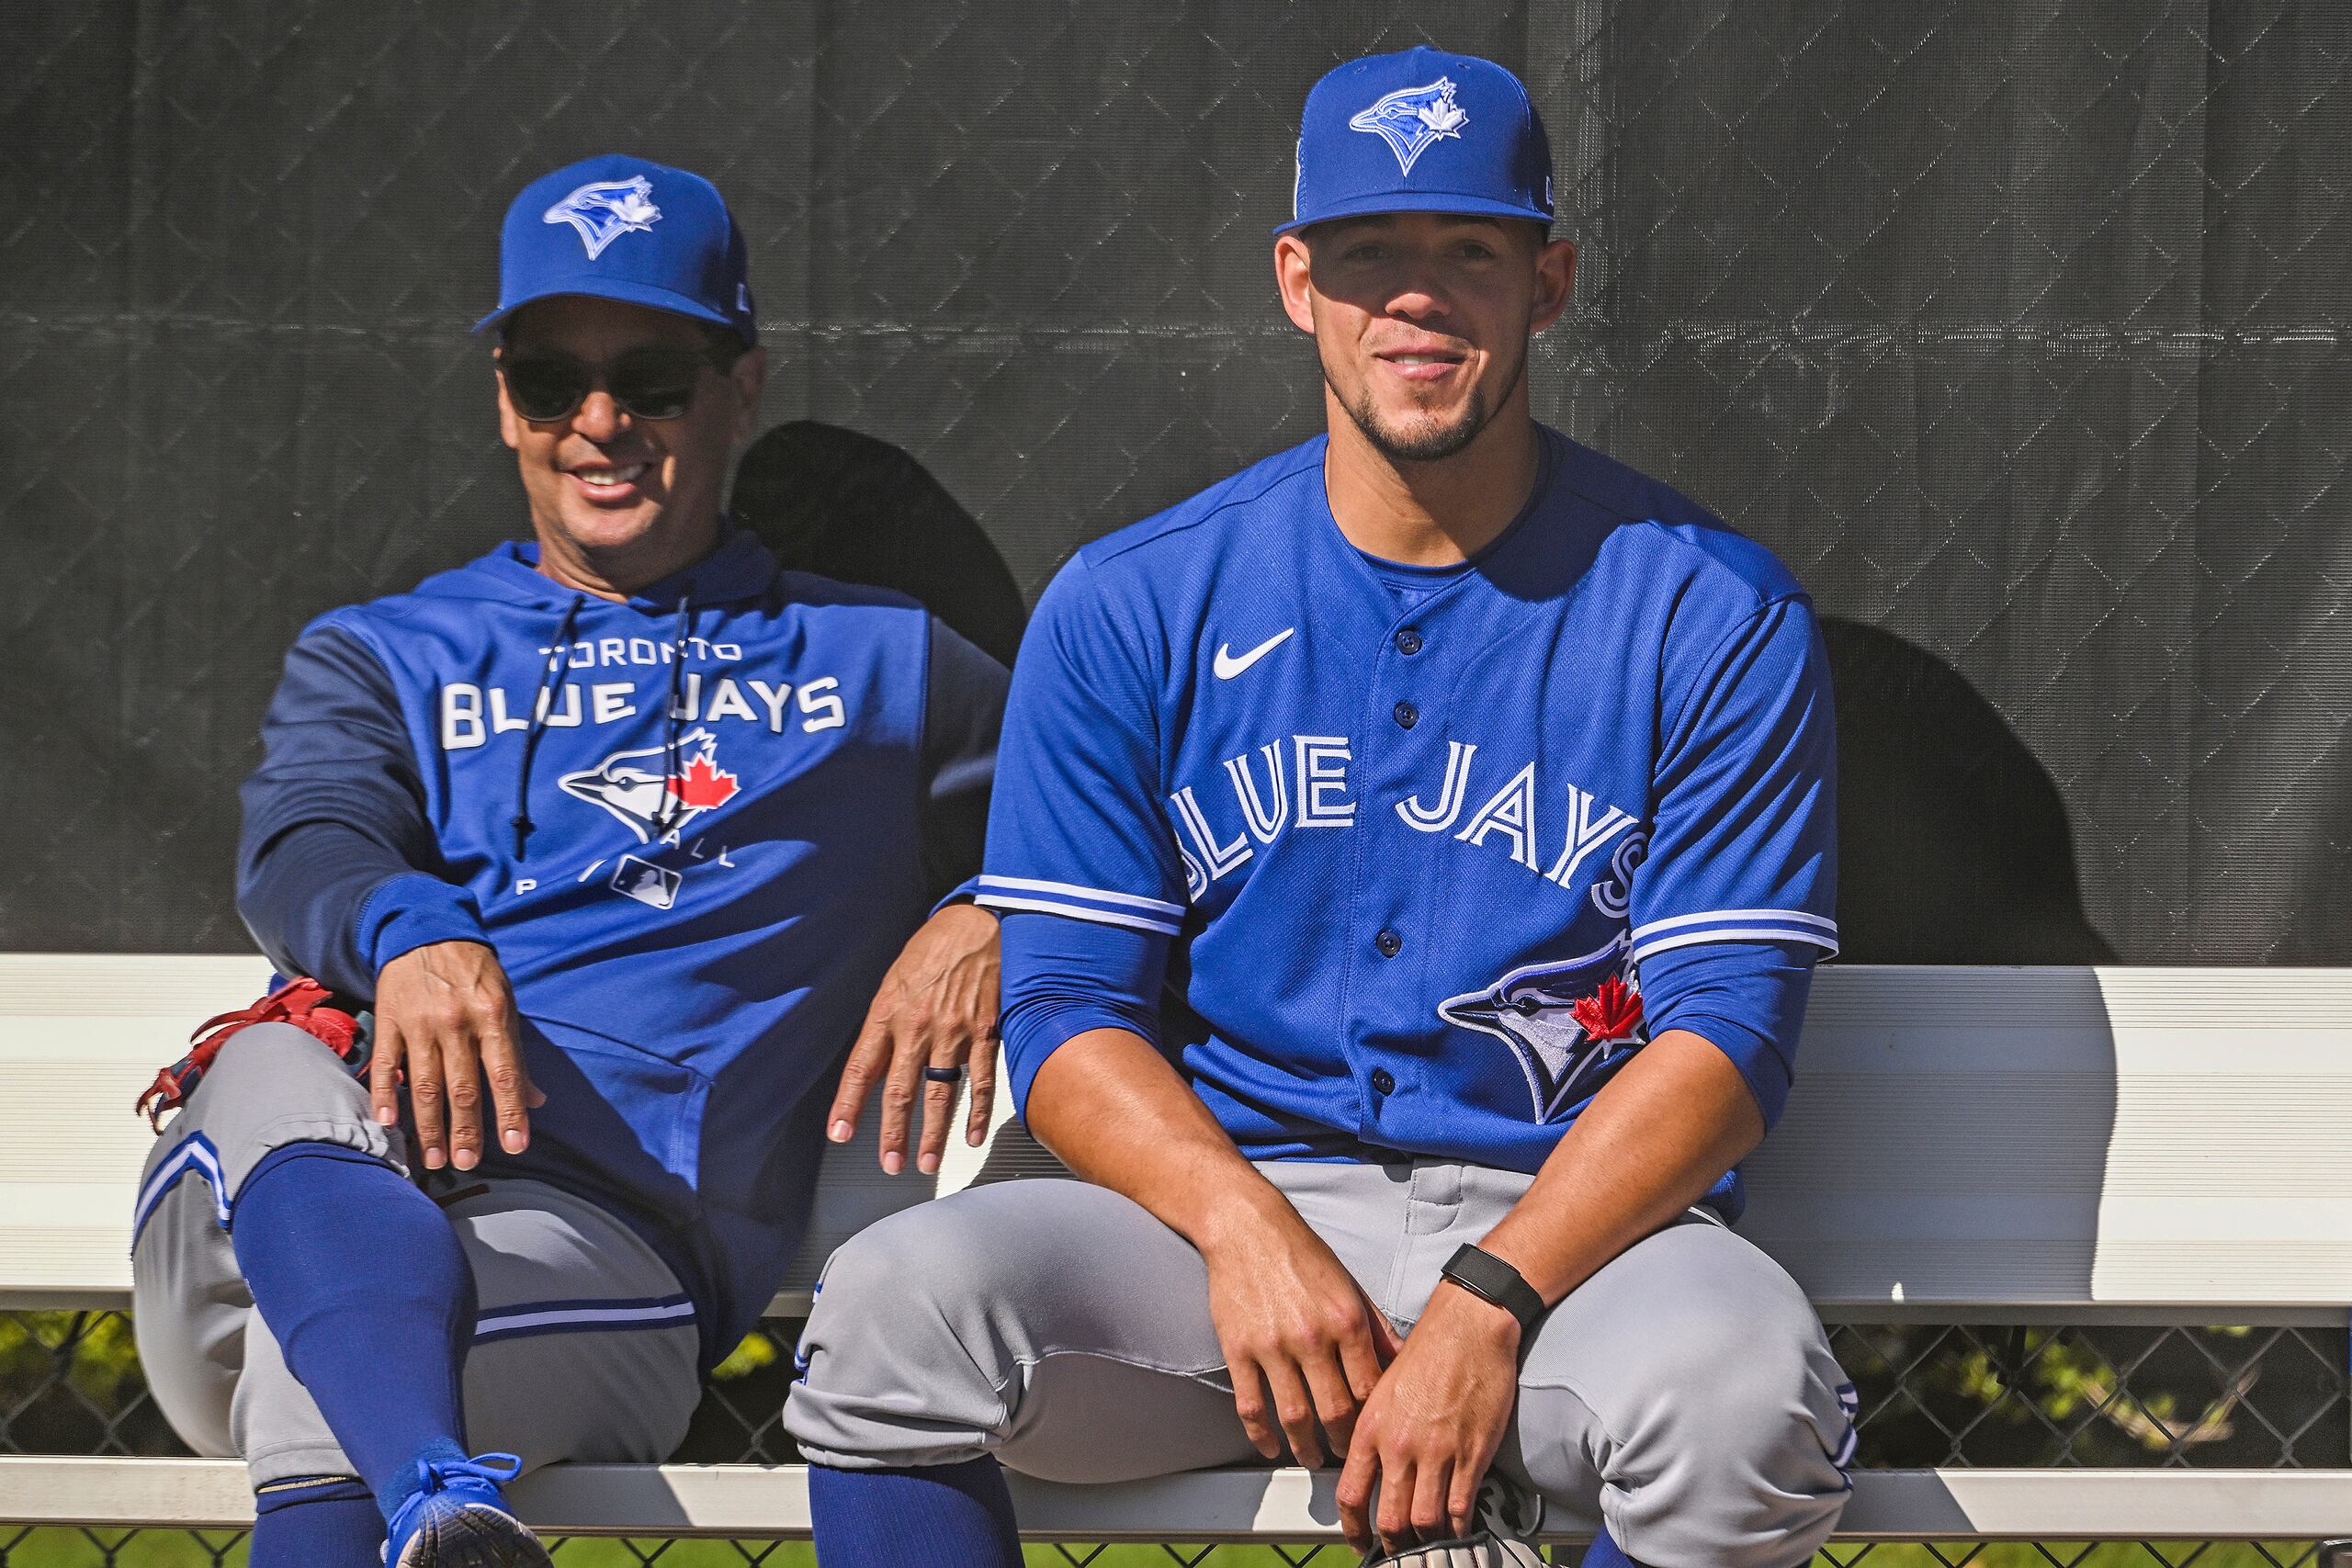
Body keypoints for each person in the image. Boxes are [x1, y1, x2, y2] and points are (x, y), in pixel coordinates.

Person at [786, 48, 1855, 1568]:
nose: (1416, 300)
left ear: (1547, 284)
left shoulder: (1706, 608)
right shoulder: (1136, 602)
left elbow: (1727, 1040)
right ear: (1299, 281)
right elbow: (1069, 1016)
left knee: (1748, 1402)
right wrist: (1240, 1231)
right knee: (896, 1313)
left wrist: (1490, 1307)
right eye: (1370, 256)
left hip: (1578, 1250)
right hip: (1236, 1234)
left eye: (1469, 253)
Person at [129, 154, 1008, 1568]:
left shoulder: (886, 664)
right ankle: (429, 1482)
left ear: (739, 387)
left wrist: (990, 907)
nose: (600, 426)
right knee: (268, 1061)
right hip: (260, 1220)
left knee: (323, 1387)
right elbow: (307, 838)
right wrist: (413, 932)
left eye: (652, 377)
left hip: (593, 1248)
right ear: (503, 399)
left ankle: (425, 1490)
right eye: (552, 381)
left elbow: (1111, 829)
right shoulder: (384, 651)